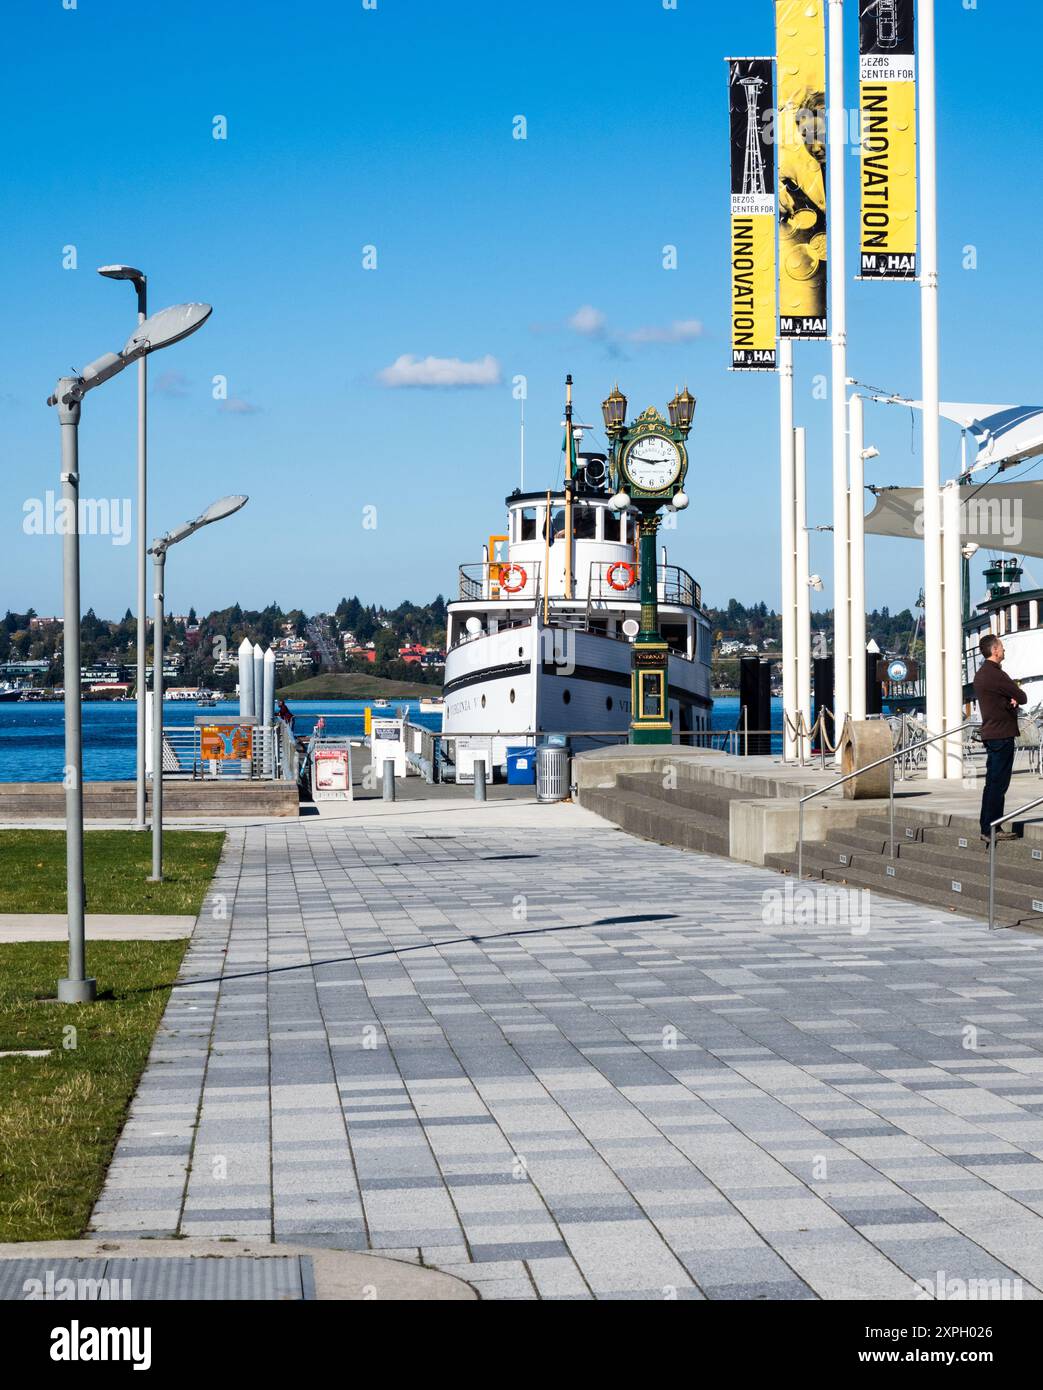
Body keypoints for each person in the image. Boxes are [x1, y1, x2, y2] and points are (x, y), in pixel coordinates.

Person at [973, 634, 1026, 843]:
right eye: (1001, 647)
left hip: (991, 734)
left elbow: (995, 701)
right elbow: (1022, 696)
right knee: (999, 784)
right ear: (994, 650)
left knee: (991, 783)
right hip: (1002, 735)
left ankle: (987, 825)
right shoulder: (996, 674)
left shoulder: (981, 675)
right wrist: (1013, 700)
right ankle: (992, 827)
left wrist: (1007, 702)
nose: (1004, 651)